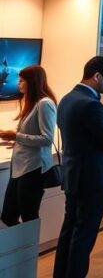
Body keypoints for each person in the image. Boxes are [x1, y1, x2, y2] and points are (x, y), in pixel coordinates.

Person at [53, 56, 103, 278]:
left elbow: (83, 133)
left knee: (69, 230)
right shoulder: (92, 105)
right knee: (85, 233)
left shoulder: (67, 99)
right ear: (97, 76)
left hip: (74, 174)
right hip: (92, 178)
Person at [0, 65, 56, 226]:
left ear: (32, 82)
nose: (18, 84)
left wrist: (16, 136)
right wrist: (13, 138)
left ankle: (29, 249)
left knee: (29, 216)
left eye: (21, 80)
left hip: (33, 168)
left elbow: (46, 138)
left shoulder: (45, 104)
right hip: (21, 168)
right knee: (8, 217)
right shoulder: (32, 103)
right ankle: (22, 249)